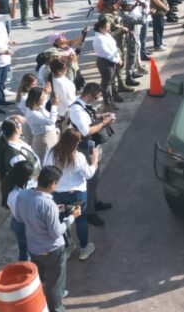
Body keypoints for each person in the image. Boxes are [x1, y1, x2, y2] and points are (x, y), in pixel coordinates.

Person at [16, 166, 79, 312]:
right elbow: (56, 232)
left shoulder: (23, 195)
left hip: (34, 248)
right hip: (52, 251)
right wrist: (71, 218)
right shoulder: (48, 204)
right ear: (52, 184)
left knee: (41, 280)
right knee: (55, 286)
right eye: (57, 183)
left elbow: (19, 217)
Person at [44, 128, 98, 260]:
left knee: (61, 220)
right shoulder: (78, 157)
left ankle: (68, 246)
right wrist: (95, 160)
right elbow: (89, 175)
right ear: (75, 143)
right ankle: (84, 249)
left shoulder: (51, 152)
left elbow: (45, 168)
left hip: (57, 194)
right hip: (77, 194)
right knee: (81, 221)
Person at [67, 83, 115, 225]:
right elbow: (86, 131)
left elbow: (89, 116)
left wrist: (101, 116)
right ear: (89, 95)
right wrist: (104, 123)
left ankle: (94, 202)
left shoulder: (83, 105)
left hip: (93, 146)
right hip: (86, 147)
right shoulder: (77, 110)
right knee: (90, 179)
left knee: (95, 178)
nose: (97, 98)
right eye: (96, 96)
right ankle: (89, 212)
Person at [92, 20, 123, 110]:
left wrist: (118, 58)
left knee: (111, 82)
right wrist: (117, 60)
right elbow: (106, 53)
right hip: (105, 62)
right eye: (107, 28)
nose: (109, 30)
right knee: (106, 84)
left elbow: (114, 47)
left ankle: (110, 101)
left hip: (112, 61)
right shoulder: (99, 39)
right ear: (101, 28)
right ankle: (107, 104)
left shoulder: (106, 35)